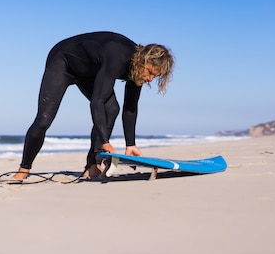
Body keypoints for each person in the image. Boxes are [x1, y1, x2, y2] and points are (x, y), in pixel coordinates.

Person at [13, 31, 174, 180]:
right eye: (150, 72)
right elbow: (97, 102)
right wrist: (105, 142)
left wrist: (130, 144)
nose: (150, 79)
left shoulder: (138, 70)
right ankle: (23, 169)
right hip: (63, 62)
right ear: (142, 60)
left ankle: (91, 165)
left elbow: (130, 108)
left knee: (112, 109)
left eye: (155, 76)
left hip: (89, 71)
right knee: (44, 119)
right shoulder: (118, 55)